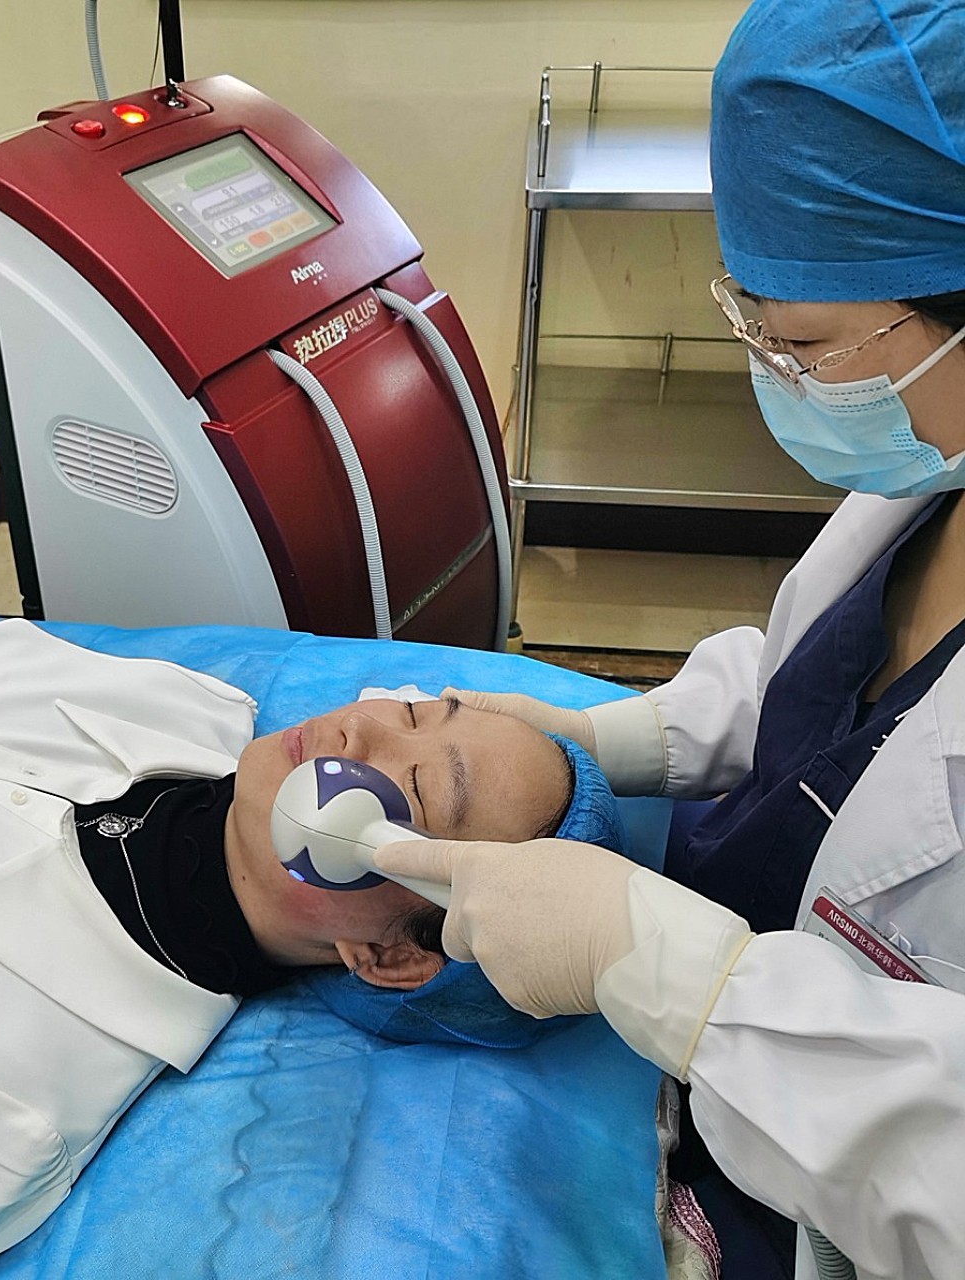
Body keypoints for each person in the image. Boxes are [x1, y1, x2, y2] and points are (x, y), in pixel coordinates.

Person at [377, 3, 965, 1278]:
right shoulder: (933, 470)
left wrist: (687, 988)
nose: (774, 375)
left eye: (801, 344)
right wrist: (615, 735)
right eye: (752, 325)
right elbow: (842, 694)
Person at [0, 585, 577, 1280]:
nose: (360, 727)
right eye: (411, 714)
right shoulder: (189, 708)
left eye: (415, 788)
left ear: (392, 955)